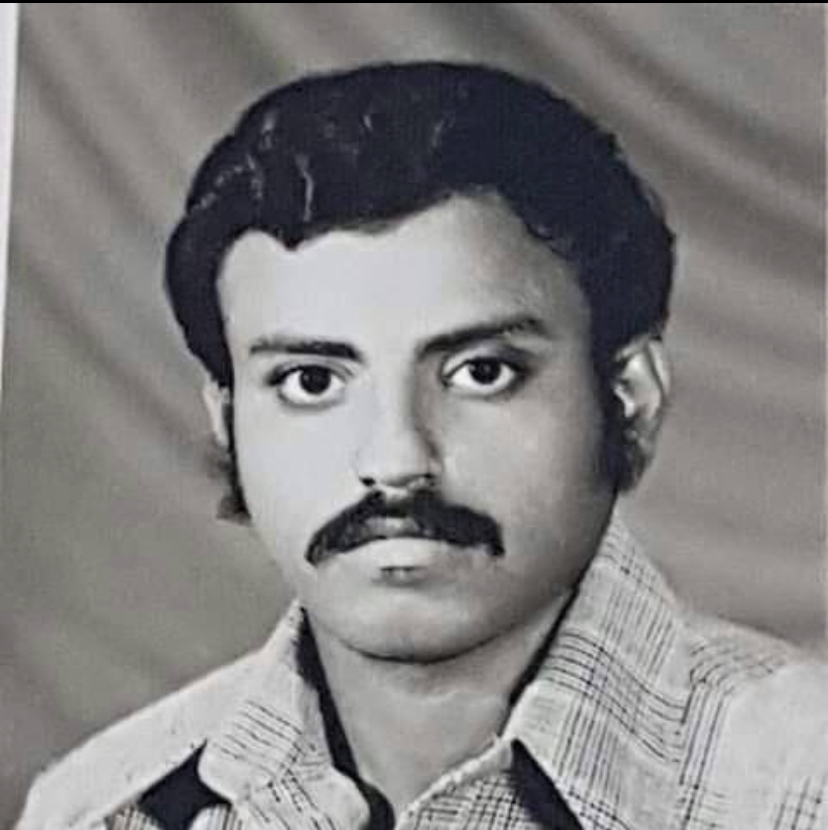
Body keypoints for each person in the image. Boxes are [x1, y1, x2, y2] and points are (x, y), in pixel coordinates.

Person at [16, 61, 828, 830]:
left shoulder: (800, 785)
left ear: (630, 400)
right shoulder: (98, 810)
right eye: (310, 382)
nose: (397, 460)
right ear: (227, 423)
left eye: (481, 372)